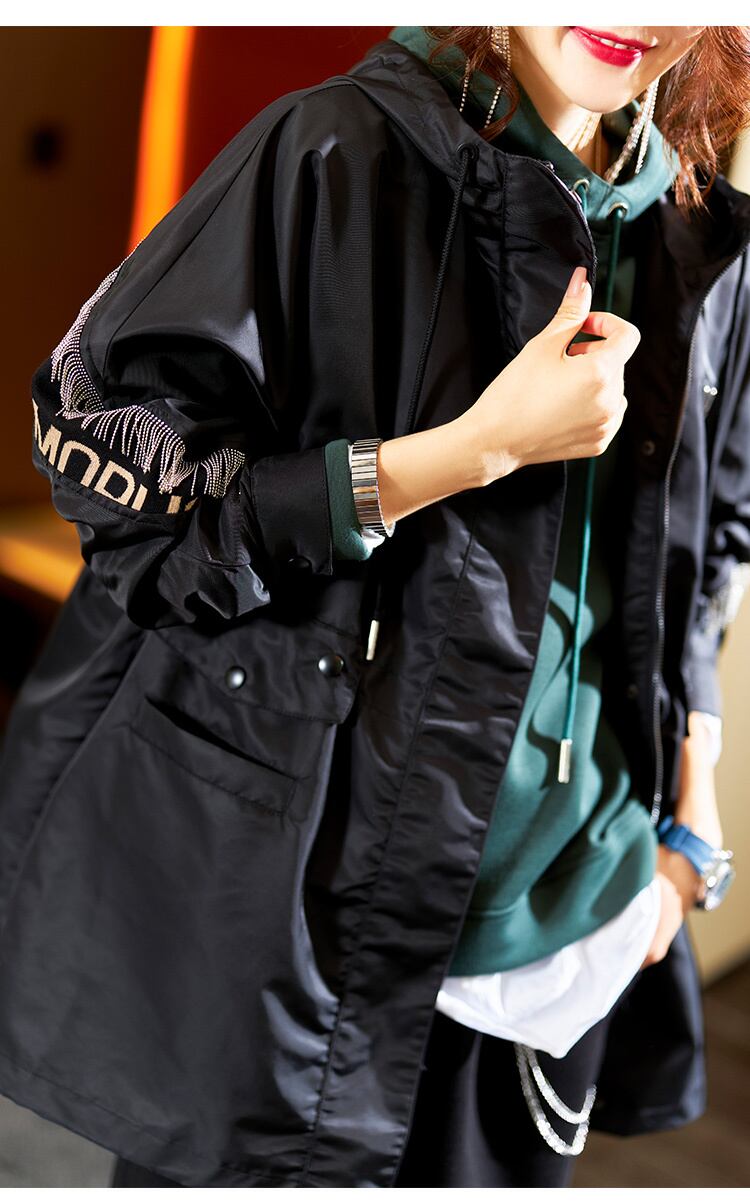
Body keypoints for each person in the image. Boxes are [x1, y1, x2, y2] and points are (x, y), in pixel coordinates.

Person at [0, 24, 748, 1189]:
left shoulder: (695, 223)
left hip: (571, 935)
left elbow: (711, 535)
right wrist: (469, 451)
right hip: (298, 943)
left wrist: (688, 830)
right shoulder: (331, 151)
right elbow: (139, 514)